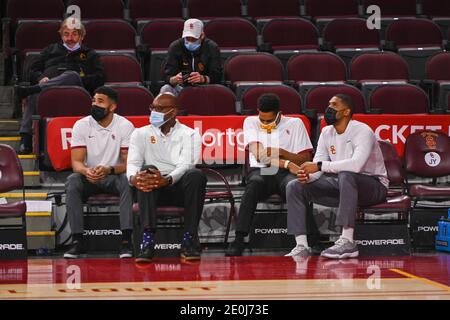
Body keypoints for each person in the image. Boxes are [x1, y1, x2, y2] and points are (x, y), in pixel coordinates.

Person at [285, 94, 388, 259]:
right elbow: (318, 167)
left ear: (346, 111)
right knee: (295, 186)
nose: (328, 109)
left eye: (334, 105)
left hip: (374, 186)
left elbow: (356, 165)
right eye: (328, 104)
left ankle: (347, 240)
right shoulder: (326, 132)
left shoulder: (362, 130)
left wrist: (318, 166)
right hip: (343, 186)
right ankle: (302, 245)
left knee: (347, 175)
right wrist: (308, 176)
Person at [225, 93, 313, 256]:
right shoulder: (250, 121)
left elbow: (305, 159)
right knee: (253, 185)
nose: (264, 123)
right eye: (262, 119)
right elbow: (261, 156)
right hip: (262, 170)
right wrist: (287, 162)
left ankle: (312, 240)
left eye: (269, 120)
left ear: (279, 113)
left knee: (294, 186)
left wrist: (283, 153)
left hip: (286, 173)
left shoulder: (295, 123)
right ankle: (239, 239)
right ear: (258, 111)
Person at [127, 92, 207, 263]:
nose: (153, 112)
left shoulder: (190, 134)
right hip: (152, 189)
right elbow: (132, 163)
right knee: (146, 171)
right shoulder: (139, 133)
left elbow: (186, 165)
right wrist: (134, 178)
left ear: (173, 112)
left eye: (160, 109)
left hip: (178, 189)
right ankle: (147, 241)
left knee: (196, 175)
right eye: (152, 108)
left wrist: (168, 179)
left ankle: (189, 239)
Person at [64, 86, 135, 259]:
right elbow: (76, 162)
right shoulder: (81, 125)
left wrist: (108, 169)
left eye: (100, 101)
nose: (95, 104)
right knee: (73, 180)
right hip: (89, 177)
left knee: (127, 180)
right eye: (94, 100)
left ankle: (126, 241)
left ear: (112, 107)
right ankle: (77, 241)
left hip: (114, 176)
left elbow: (129, 163)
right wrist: (86, 171)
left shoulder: (125, 126)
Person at [16, 17, 105, 154]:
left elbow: (100, 78)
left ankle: (35, 89)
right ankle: (25, 139)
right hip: (47, 90)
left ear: (81, 36)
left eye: (74, 34)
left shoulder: (90, 54)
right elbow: (32, 70)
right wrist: (41, 78)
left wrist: (80, 80)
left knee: (72, 75)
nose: (70, 38)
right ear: (61, 35)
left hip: (77, 91)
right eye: (66, 34)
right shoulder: (50, 49)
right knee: (36, 94)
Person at [160, 18, 222, 96]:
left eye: (194, 39)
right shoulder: (175, 47)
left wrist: (203, 78)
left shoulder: (212, 47)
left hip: (205, 88)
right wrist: (175, 79)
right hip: (181, 88)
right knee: (166, 88)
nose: (190, 41)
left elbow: (217, 76)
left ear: (202, 35)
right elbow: (166, 76)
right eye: (187, 38)